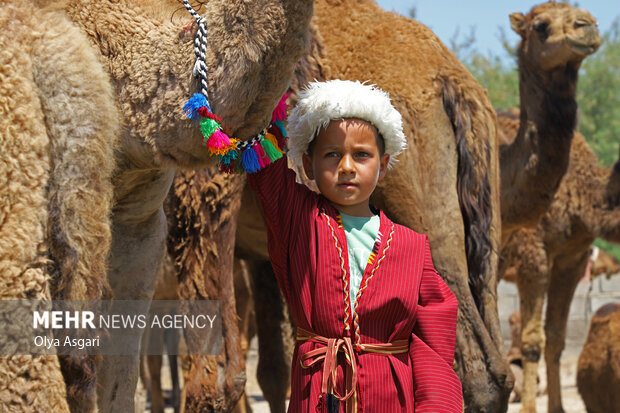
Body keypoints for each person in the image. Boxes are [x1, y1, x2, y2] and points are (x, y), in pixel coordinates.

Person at [247, 79, 463, 412]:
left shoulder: (412, 247)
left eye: (361, 155)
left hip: (389, 400)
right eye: (332, 155)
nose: (346, 167)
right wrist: (269, 78)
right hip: (316, 393)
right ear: (308, 164)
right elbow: (264, 164)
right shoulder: (297, 221)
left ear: (384, 163)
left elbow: (434, 348)